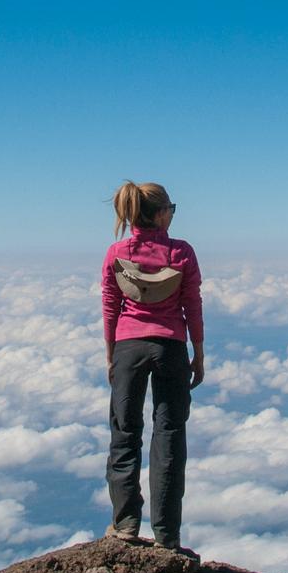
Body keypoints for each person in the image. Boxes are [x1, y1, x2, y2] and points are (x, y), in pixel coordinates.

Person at [100, 180, 204, 552]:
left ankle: (126, 525)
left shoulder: (117, 253)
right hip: (171, 348)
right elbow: (192, 304)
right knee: (170, 436)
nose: (173, 214)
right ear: (160, 214)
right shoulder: (182, 253)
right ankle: (167, 535)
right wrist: (199, 353)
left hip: (129, 347)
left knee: (125, 435)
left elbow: (111, 306)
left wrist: (112, 354)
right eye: (171, 208)